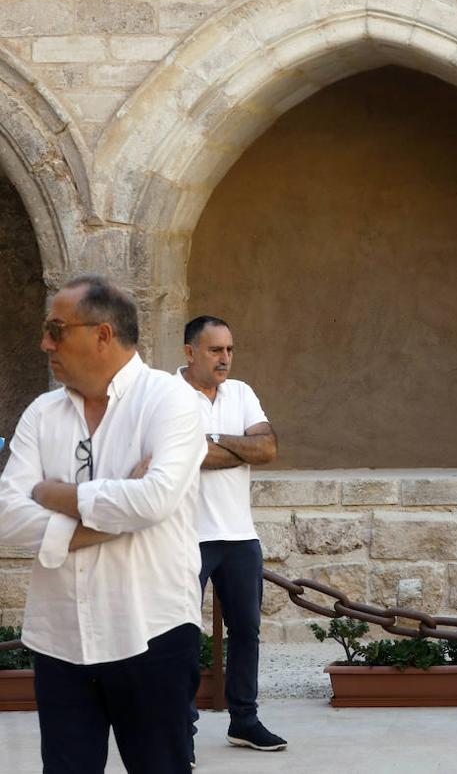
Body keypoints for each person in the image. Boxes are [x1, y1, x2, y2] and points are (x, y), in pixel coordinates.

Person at [0, 275, 205, 773]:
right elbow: (6, 518)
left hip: (150, 632)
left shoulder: (170, 401)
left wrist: (55, 495)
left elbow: (154, 497)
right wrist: (111, 521)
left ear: (103, 334)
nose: (45, 342)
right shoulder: (42, 413)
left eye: (56, 328)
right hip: (61, 640)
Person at [179, 315, 285, 752]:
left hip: (240, 535)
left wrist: (214, 440)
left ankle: (244, 720)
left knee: (246, 631)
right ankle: (178, 730)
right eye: (214, 350)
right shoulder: (166, 393)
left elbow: (268, 448)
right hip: (185, 536)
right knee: (180, 635)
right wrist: (237, 448)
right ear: (189, 351)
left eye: (229, 350)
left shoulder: (240, 392)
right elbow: (184, 455)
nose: (225, 359)